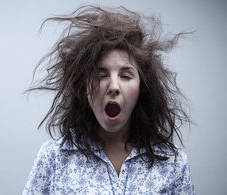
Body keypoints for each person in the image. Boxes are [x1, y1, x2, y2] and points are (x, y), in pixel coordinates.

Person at [22, 5, 195, 194]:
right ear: (84, 86)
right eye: (101, 75)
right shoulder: (53, 158)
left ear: (142, 89)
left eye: (126, 76)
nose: (113, 86)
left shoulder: (173, 163)